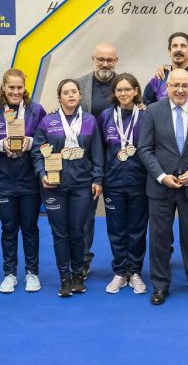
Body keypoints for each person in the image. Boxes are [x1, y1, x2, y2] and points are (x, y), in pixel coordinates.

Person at [137, 69, 188, 305]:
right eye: (175, 85)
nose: (180, 90)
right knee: (160, 238)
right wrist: (161, 176)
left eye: (185, 85)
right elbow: (145, 149)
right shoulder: (152, 112)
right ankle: (160, 285)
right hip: (161, 187)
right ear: (167, 87)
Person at [32, 79, 103, 298]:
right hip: (54, 186)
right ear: (59, 97)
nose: (71, 95)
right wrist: (42, 174)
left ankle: (77, 276)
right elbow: (37, 152)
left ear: (80, 96)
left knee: (78, 231)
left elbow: (97, 152)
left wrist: (97, 178)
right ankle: (64, 277)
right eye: (66, 92)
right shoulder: (47, 121)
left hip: (82, 185)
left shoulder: (90, 120)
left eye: (74, 92)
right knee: (59, 232)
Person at [0, 69, 46, 293]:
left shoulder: (36, 111)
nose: (15, 91)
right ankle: (10, 273)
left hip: (29, 179)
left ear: (24, 88)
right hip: (2, 179)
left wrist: (31, 142)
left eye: (19, 87)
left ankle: (32, 273)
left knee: (29, 227)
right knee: (8, 228)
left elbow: (45, 140)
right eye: (11, 87)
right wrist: (2, 145)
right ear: (4, 87)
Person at [98, 73, 149, 294]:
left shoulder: (146, 116)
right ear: (114, 93)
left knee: (137, 229)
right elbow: (99, 150)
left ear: (136, 91)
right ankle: (120, 271)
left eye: (128, 89)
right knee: (116, 229)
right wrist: (99, 178)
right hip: (114, 182)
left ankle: (135, 272)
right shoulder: (106, 116)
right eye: (119, 90)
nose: (123, 93)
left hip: (140, 182)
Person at [77, 42, 119, 278]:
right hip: (87, 162)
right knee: (85, 216)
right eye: (100, 59)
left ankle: (123, 266)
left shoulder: (125, 84)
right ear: (93, 58)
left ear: (116, 60)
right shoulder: (80, 84)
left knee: (119, 217)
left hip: (117, 161)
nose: (105, 64)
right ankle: (82, 260)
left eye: (109, 60)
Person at [143, 32, 188, 105]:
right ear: (169, 51)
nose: (178, 49)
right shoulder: (158, 79)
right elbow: (145, 108)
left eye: (183, 46)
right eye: (175, 46)